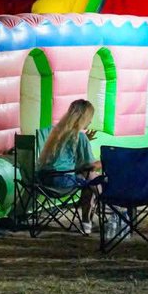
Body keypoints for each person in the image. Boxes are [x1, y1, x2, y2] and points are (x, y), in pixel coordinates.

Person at [37, 99, 101, 234]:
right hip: (62, 182)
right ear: (84, 118)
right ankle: (87, 221)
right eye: (90, 118)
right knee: (92, 179)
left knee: (86, 175)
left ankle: (92, 218)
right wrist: (105, 161)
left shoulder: (55, 132)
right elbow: (89, 165)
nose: (90, 122)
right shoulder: (80, 137)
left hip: (43, 180)